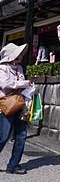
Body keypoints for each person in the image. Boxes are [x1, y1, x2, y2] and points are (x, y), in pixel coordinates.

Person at [0, 43, 31, 175]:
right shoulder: (2, 68)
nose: (21, 57)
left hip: (19, 104)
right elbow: (6, 84)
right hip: (6, 106)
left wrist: (27, 86)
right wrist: (23, 83)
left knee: (21, 135)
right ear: (12, 56)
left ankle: (13, 165)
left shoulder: (19, 68)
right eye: (18, 55)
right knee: (3, 136)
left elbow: (20, 83)